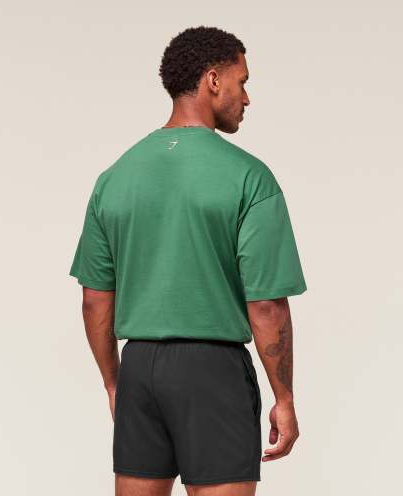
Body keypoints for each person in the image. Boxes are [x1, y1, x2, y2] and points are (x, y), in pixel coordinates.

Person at [69, 25, 307, 496]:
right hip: (213, 372)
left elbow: (95, 298)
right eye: (242, 81)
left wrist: (116, 384)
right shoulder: (249, 177)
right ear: (213, 80)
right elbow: (266, 305)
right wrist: (284, 397)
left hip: (138, 368)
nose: (247, 97)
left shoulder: (115, 177)